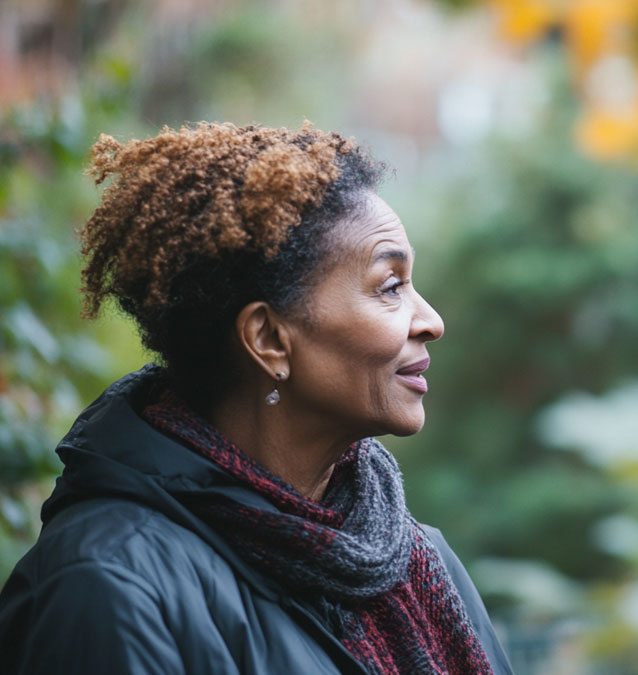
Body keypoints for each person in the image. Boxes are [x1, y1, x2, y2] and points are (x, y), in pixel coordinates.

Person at [0, 122, 512, 675]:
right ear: (268, 340)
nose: (431, 321)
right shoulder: (108, 582)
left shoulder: (417, 560)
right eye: (391, 286)